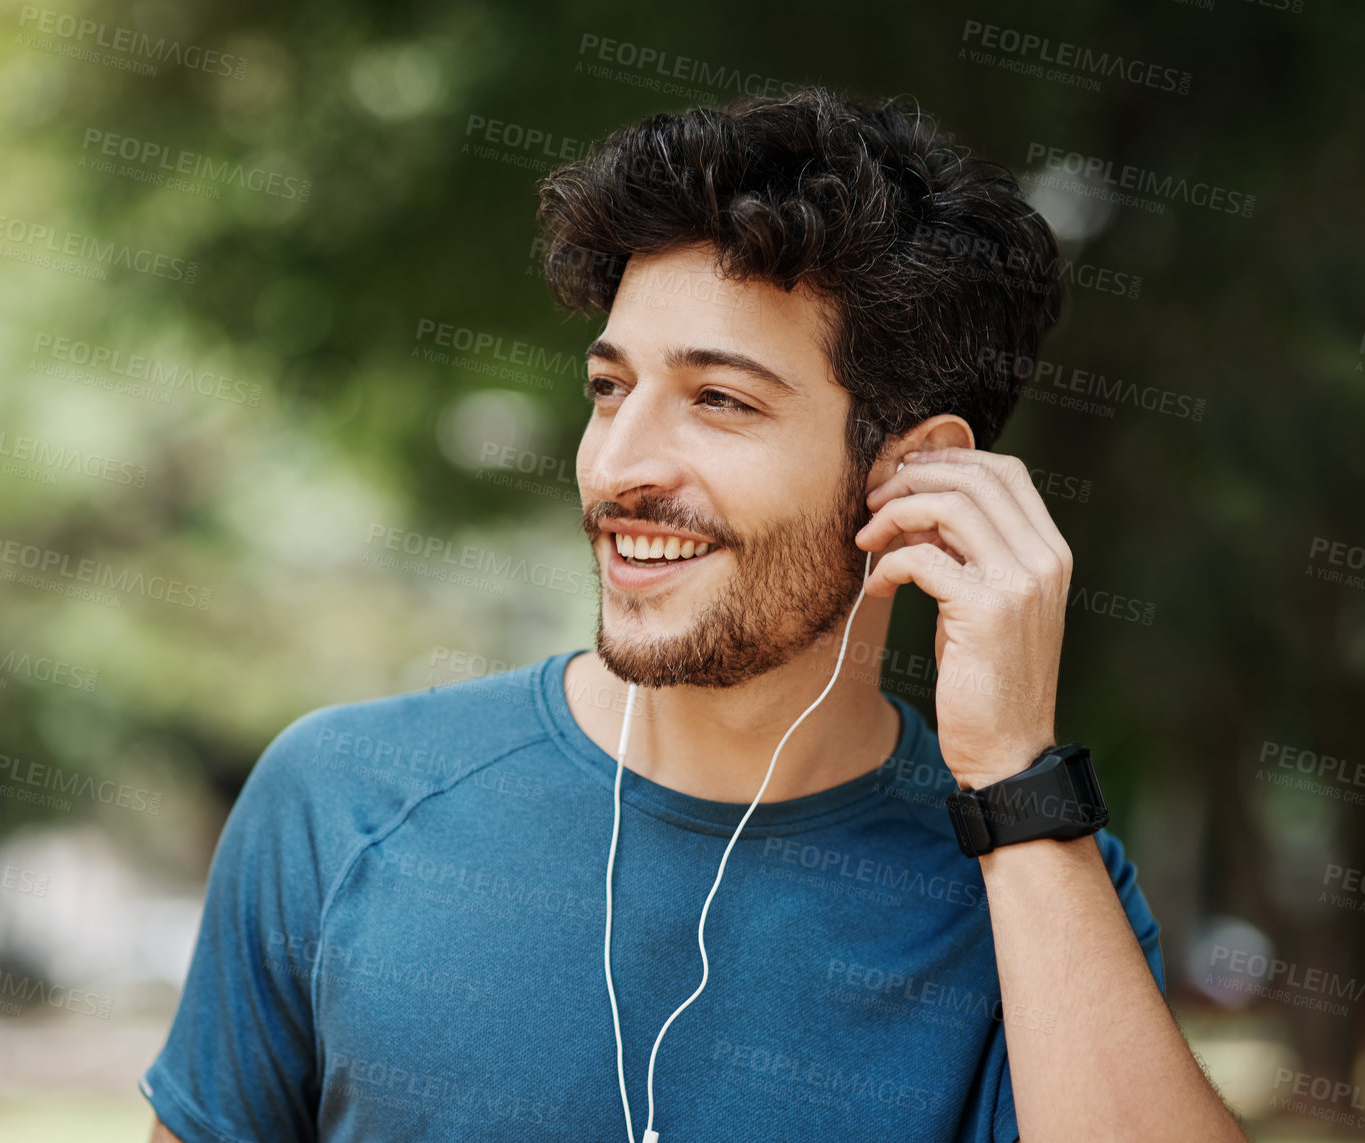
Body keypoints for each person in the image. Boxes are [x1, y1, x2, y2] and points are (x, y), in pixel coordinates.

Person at [142, 87, 1246, 1142]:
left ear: (913, 479)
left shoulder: (1031, 876)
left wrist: (1011, 772)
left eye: (718, 400)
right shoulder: (338, 802)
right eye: (608, 388)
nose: (617, 467)